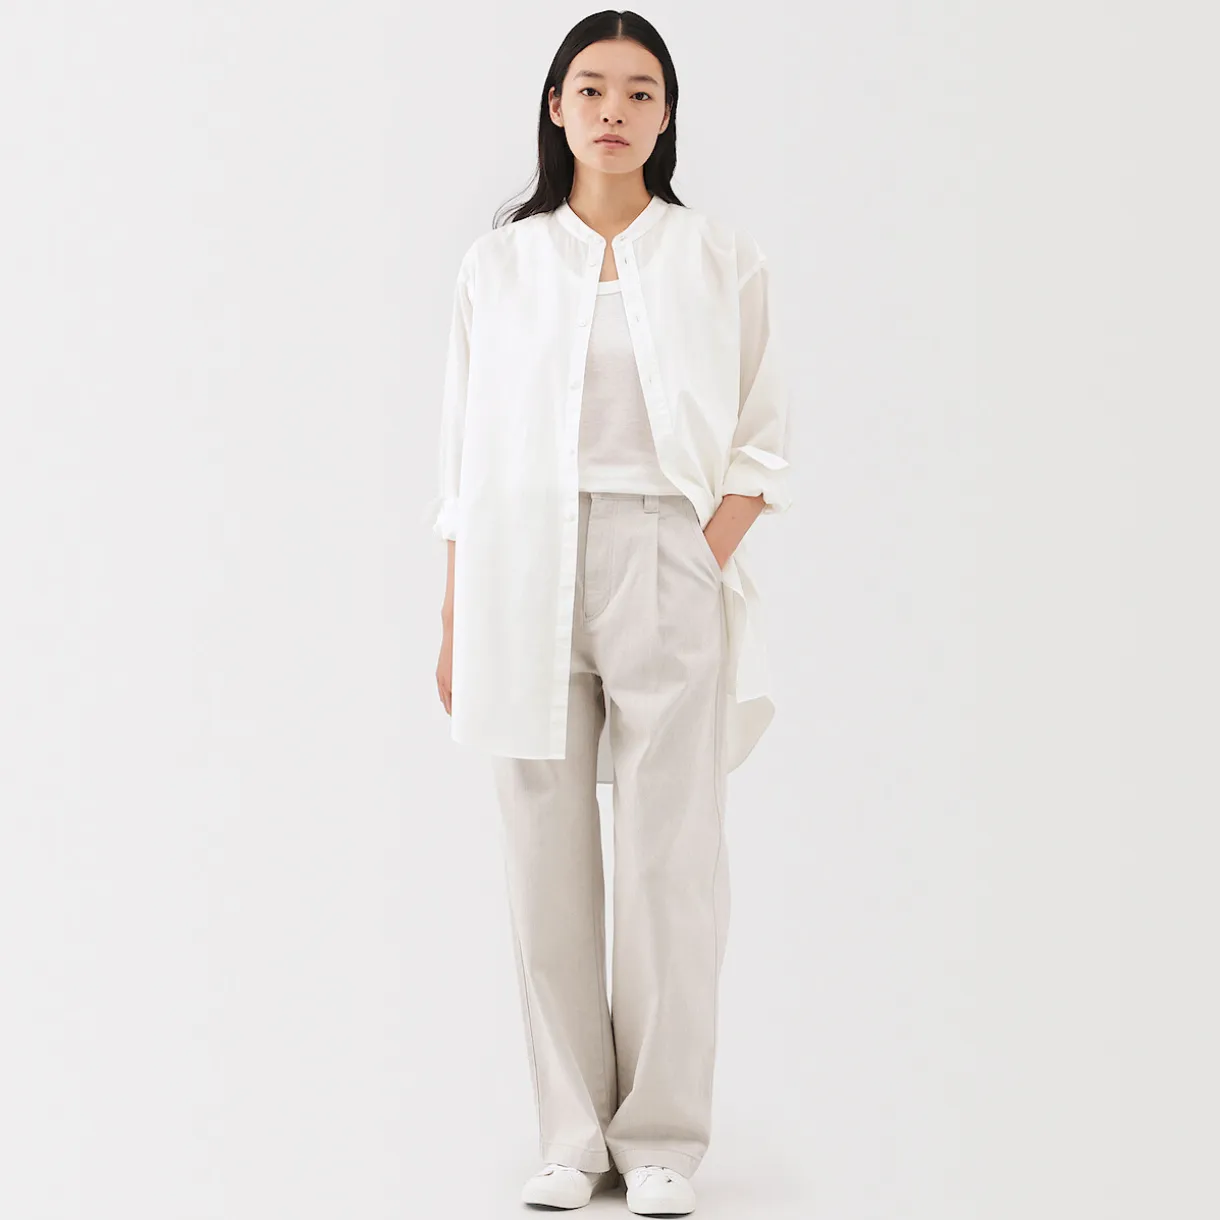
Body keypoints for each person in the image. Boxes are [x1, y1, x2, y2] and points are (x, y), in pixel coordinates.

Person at [426, 11, 793, 1215]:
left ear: (667, 114)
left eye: (639, 91)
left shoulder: (717, 257)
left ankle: (662, 1138)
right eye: (590, 88)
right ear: (554, 106)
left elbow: (761, 439)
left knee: (668, 857)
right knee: (541, 857)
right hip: (517, 564)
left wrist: (697, 551)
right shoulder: (497, 266)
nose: (613, 111)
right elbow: (460, 460)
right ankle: (569, 1134)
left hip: (662, 557)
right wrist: (454, 612)